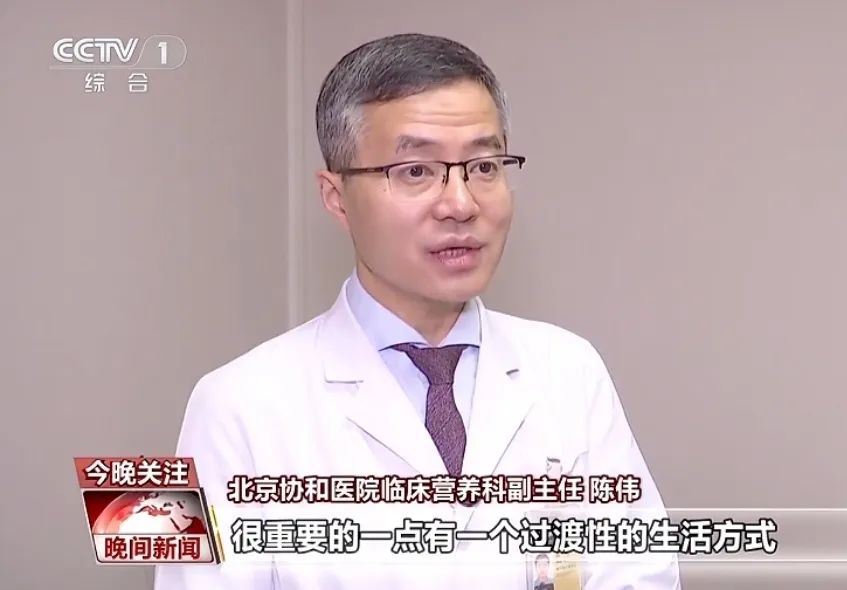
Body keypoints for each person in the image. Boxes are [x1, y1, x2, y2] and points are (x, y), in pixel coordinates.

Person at [154, 33, 680, 589]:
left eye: (484, 166)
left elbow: (642, 575)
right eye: (415, 171)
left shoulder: (569, 370)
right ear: (336, 197)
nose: (460, 204)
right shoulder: (234, 405)